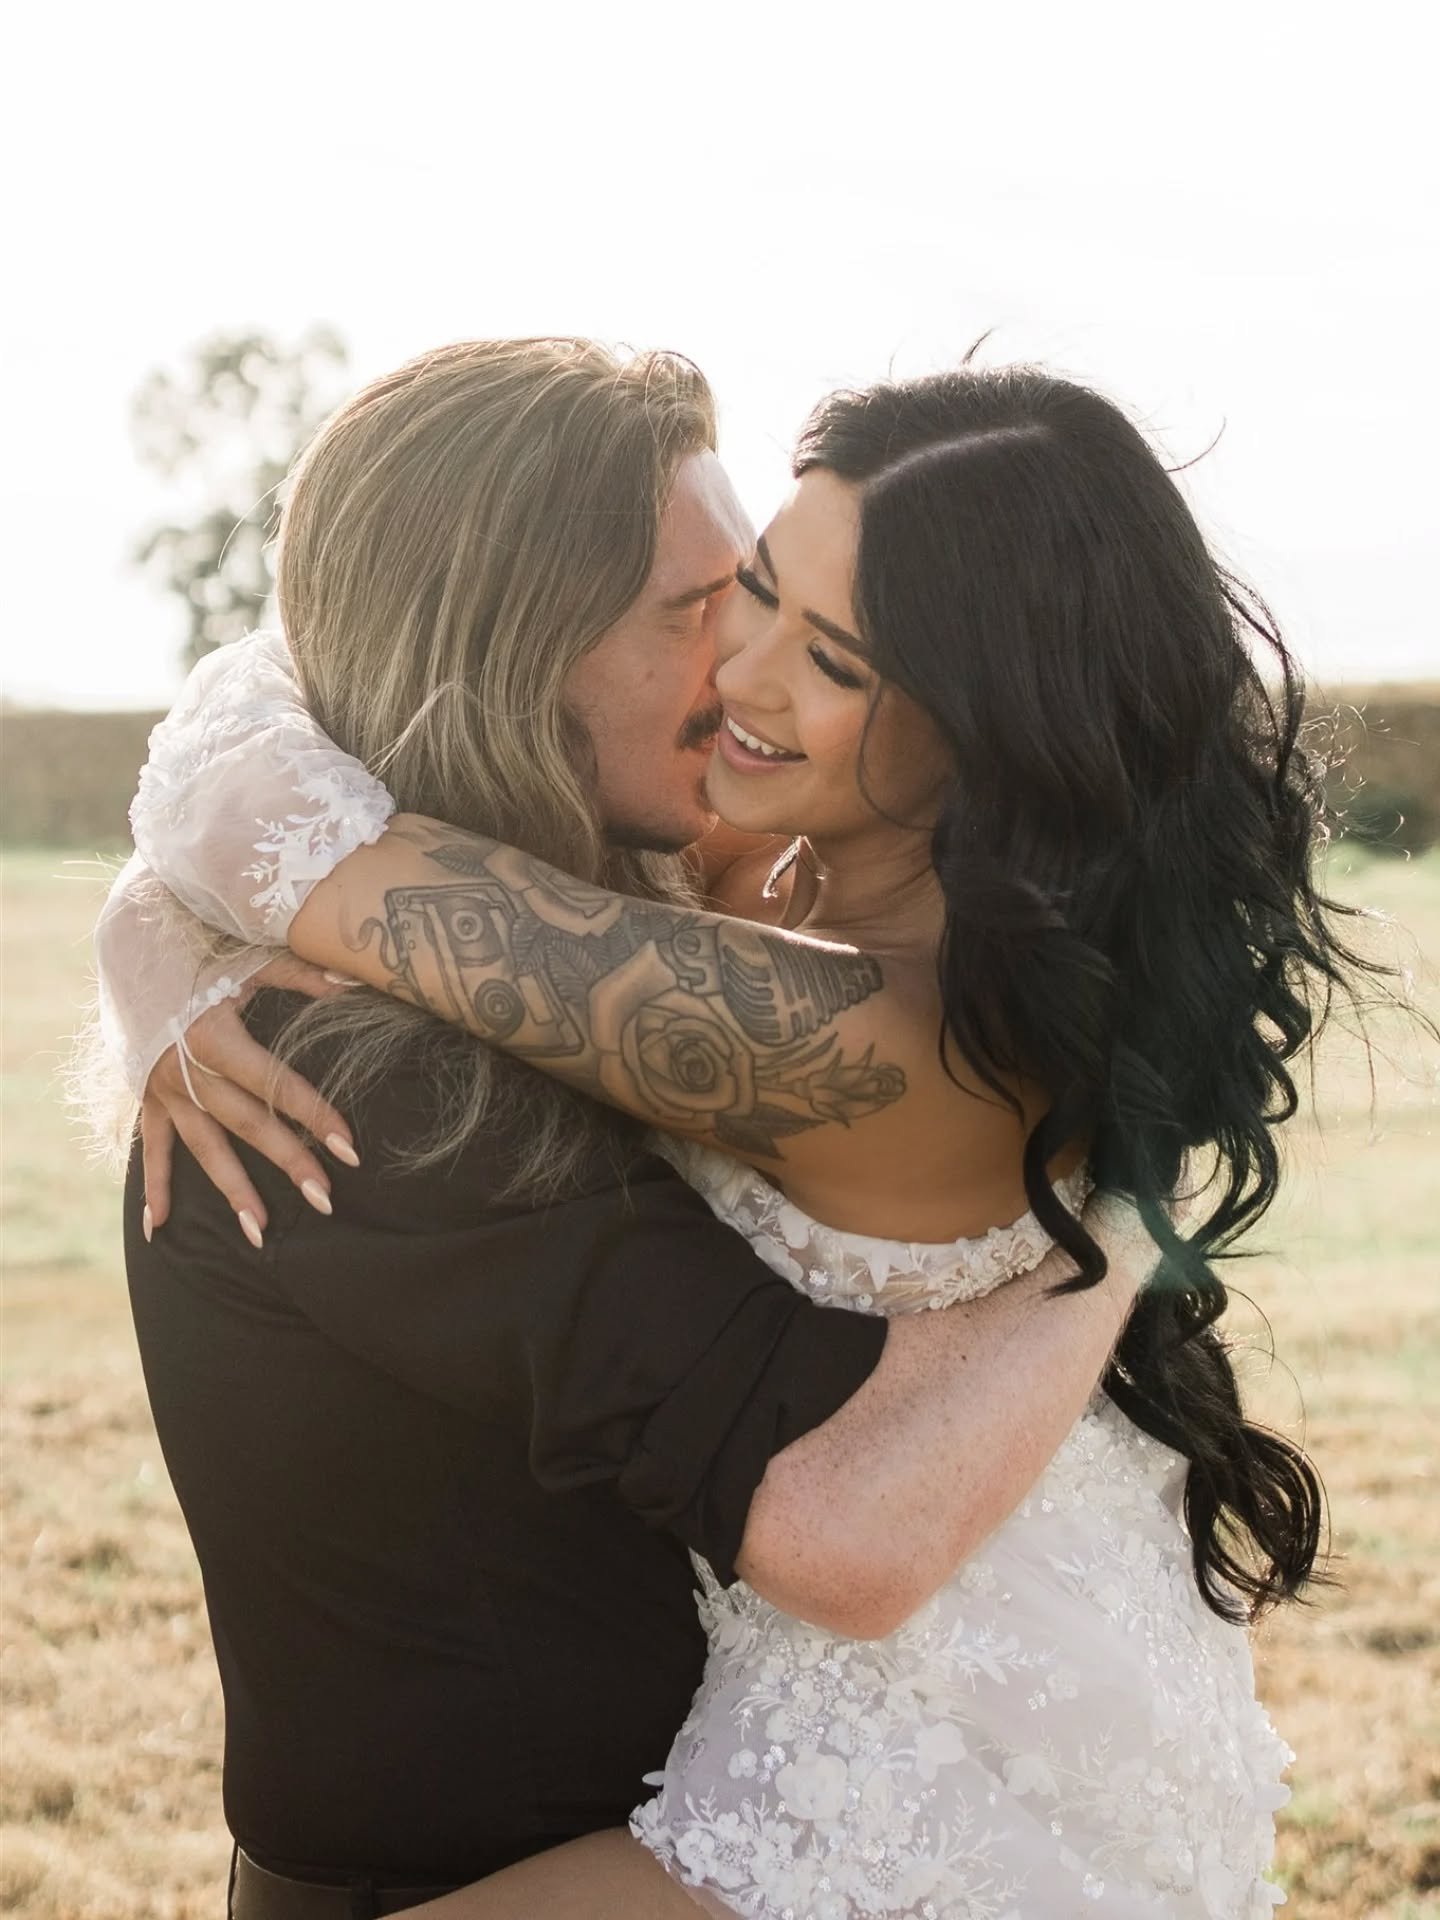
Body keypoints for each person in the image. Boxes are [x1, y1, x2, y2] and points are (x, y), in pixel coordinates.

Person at [107, 351, 1375, 1917]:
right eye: (742, 593)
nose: (740, 672)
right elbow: (285, 738)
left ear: (978, 720)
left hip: (951, 1754)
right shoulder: (779, 857)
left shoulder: (865, 1035)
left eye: (827, 653)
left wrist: (163, 936)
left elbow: (276, 837)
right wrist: (150, 940)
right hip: (1006, 1650)